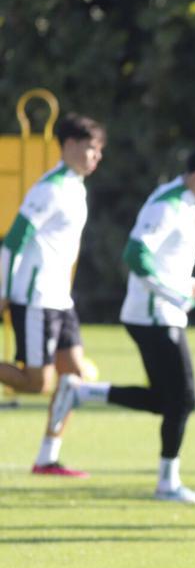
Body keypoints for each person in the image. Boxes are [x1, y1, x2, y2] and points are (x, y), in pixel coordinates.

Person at [48, 145, 195, 505]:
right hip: (153, 315)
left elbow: (163, 260)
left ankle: (82, 392)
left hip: (162, 312)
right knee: (183, 399)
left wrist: (185, 283)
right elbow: (135, 255)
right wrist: (177, 293)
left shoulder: (185, 203)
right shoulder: (168, 205)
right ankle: (168, 484)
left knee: (169, 400)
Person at [0, 114, 105, 477]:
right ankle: (46, 458)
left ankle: (47, 458)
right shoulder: (50, 189)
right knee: (36, 383)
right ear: (70, 145)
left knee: (73, 376)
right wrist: (3, 291)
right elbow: (12, 242)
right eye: (91, 149)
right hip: (35, 297)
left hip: (60, 299)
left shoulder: (76, 186)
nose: (96, 157)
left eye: (99, 151)